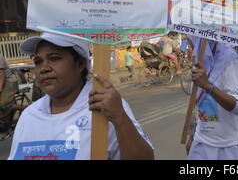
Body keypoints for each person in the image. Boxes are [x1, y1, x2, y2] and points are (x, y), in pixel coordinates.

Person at [8, 33, 154, 160]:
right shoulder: (29, 116)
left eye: (54, 58)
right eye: (38, 61)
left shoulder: (105, 107)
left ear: (80, 64)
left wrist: (120, 119)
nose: (44, 68)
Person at [186, 38, 238, 160]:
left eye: (192, 36)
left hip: (230, 146)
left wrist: (208, 86)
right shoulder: (198, 60)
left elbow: (237, 106)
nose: (190, 40)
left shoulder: (230, 59)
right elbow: (198, 103)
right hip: (202, 143)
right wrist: (192, 134)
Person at [0, 55, 26, 140]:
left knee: (4, 104)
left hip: (9, 82)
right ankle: (6, 129)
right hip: (3, 83)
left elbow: (2, 75)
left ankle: (28, 110)